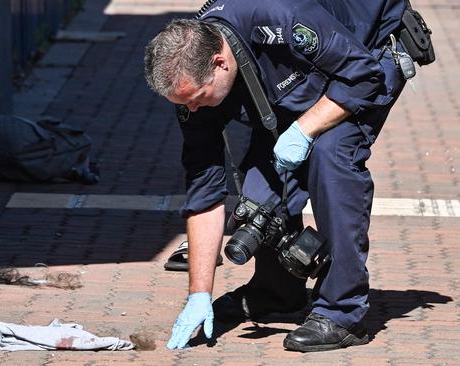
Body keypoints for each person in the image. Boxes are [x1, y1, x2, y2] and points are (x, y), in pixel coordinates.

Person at [144, 0, 411, 352]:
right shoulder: (197, 85)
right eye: (183, 103)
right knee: (257, 195)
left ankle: (342, 313)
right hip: (304, 77)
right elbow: (204, 190)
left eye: (196, 98)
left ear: (220, 63)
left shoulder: (280, 16)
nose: (191, 109)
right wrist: (199, 293)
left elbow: (363, 77)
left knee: (331, 156)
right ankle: (277, 292)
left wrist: (304, 129)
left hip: (369, 52)